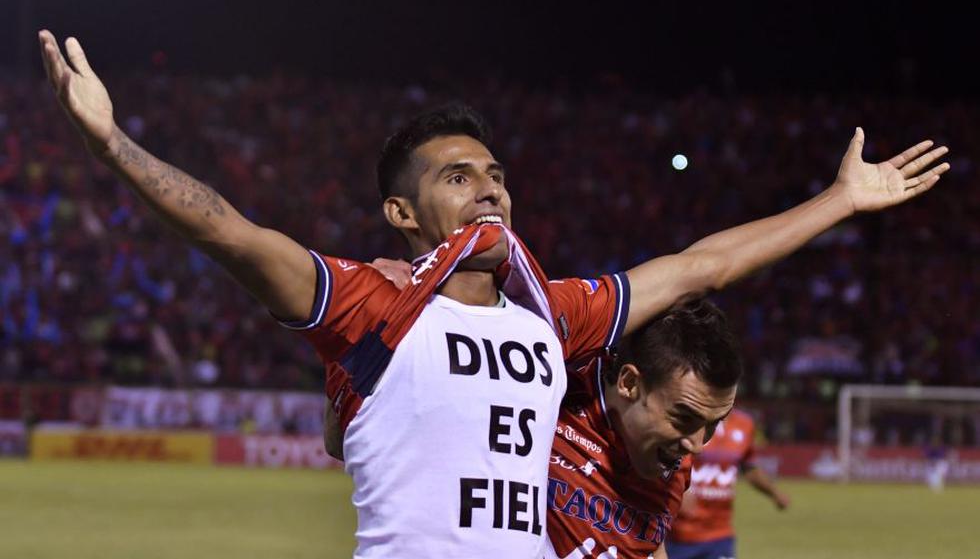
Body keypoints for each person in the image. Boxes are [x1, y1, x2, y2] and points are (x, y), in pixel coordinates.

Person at [38, 29, 949, 558]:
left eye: (497, 173)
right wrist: (114, 146)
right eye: (457, 175)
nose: (489, 187)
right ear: (400, 209)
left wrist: (840, 199)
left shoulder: (551, 314)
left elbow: (703, 265)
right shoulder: (371, 304)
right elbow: (227, 228)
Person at [546, 298, 741, 559]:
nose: (695, 445)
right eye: (683, 417)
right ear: (629, 383)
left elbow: (648, 545)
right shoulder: (549, 405)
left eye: (713, 424)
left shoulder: (670, 462)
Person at [667, 408, 789, 559]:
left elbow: (749, 467)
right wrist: (679, 489)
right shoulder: (689, 419)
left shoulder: (745, 424)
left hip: (720, 534)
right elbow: (664, 460)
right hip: (680, 536)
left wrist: (774, 493)